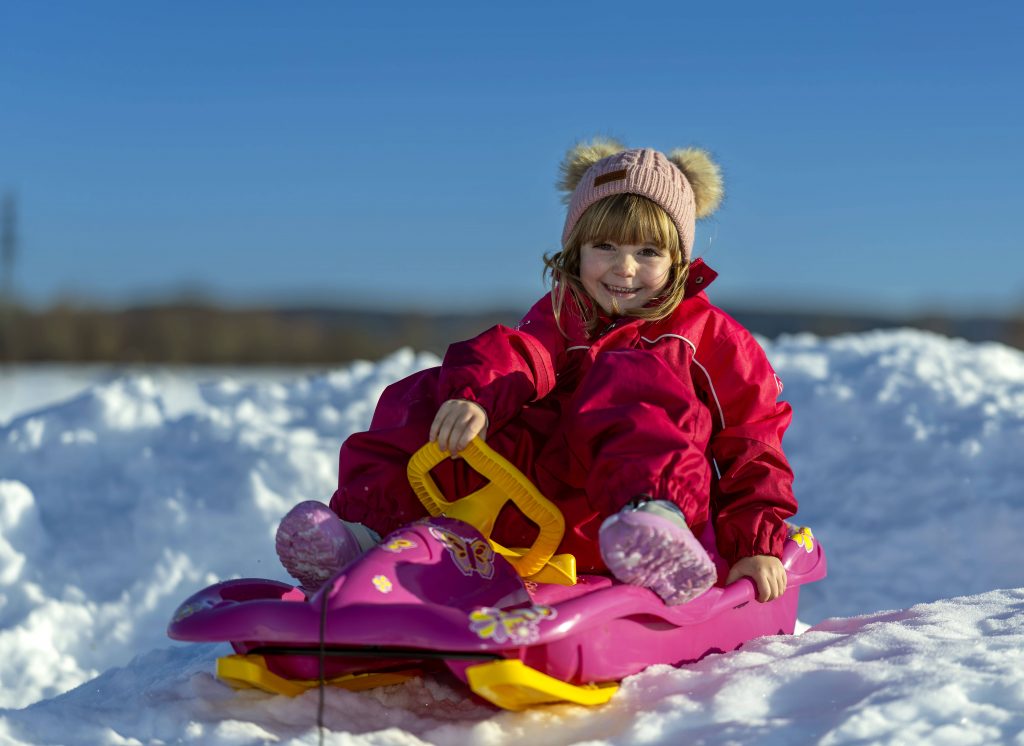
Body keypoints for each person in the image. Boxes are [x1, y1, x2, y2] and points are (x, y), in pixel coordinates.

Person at [276, 138, 798, 606]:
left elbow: (753, 444)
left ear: (679, 260)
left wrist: (755, 544)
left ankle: (651, 524)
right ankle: (368, 532)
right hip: (532, 514)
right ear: (576, 248)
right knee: (427, 393)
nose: (625, 268)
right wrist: (471, 398)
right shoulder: (557, 314)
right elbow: (519, 358)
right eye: (605, 248)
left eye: (648, 251)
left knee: (632, 376)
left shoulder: (709, 337)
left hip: (626, 522)